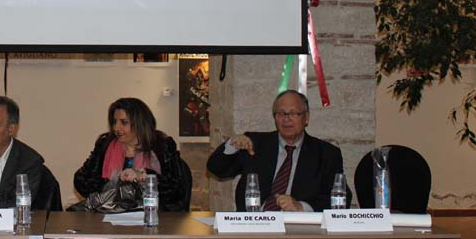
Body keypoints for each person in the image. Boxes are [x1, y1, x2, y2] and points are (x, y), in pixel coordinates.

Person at [206, 89, 347, 212]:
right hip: (254, 225)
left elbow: (341, 198)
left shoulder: (326, 154)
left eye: (293, 113)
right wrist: (232, 146)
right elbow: (216, 169)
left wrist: (301, 207)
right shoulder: (254, 144)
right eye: (280, 113)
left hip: (299, 228)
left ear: (306, 118)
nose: (286, 119)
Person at [73, 97, 188, 211]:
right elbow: (81, 181)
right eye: (114, 122)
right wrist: (110, 185)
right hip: (110, 214)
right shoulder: (105, 144)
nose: (116, 128)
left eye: (124, 122)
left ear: (140, 123)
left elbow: (176, 190)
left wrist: (143, 176)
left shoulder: (162, 146)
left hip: (153, 215)